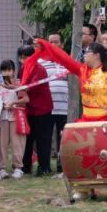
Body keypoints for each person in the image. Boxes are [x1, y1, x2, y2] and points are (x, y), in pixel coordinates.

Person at [33, 40, 107, 122]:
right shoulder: (82, 70)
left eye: (87, 52)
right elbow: (64, 59)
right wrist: (45, 45)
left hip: (106, 118)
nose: (84, 55)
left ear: (97, 55)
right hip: (87, 118)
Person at [18, 44, 54, 178]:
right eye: (21, 57)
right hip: (29, 109)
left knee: (42, 140)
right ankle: (26, 166)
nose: (23, 59)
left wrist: (17, 87)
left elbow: (32, 87)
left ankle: (44, 167)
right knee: (27, 139)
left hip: (42, 109)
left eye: (26, 56)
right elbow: (21, 84)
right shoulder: (23, 68)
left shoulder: (39, 69)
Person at [41, 33, 70, 175]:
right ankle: (45, 166)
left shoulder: (68, 61)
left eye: (56, 42)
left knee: (64, 138)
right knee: (46, 137)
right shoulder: (41, 62)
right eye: (50, 42)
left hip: (65, 107)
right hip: (47, 107)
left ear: (62, 44)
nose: (53, 44)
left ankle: (63, 165)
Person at [0, 60, 28, 179]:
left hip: (16, 117)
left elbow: (26, 99)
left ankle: (18, 168)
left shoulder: (19, 84)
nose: (7, 72)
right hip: (2, 117)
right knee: (2, 143)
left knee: (17, 143)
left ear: (14, 71)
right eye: (4, 70)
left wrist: (13, 102)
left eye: (9, 70)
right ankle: (2, 168)